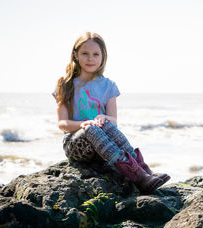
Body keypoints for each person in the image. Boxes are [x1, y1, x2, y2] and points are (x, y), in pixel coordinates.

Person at [52, 32, 170, 194]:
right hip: (77, 145)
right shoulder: (65, 85)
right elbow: (62, 124)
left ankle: (143, 170)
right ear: (76, 55)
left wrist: (104, 117)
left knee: (104, 124)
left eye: (95, 54)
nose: (90, 58)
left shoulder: (109, 86)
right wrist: (83, 124)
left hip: (103, 149)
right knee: (91, 128)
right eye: (85, 54)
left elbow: (113, 122)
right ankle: (137, 176)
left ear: (103, 57)